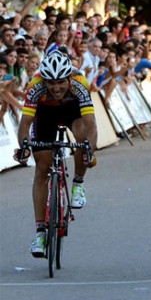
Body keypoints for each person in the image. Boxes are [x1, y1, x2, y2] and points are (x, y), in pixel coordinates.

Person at [13, 50, 97, 257]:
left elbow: (92, 126)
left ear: (69, 77)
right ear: (45, 80)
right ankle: (40, 232)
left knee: (82, 138)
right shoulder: (35, 86)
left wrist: (89, 150)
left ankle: (78, 183)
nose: (56, 87)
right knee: (42, 169)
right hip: (45, 114)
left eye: (61, 82)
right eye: (51, 83)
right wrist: (24, 147)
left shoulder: (79, 83)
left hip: (72, 110)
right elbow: (25, 125)